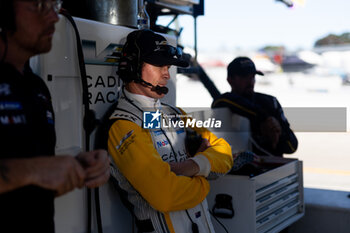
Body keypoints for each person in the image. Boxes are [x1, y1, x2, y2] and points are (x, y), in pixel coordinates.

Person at [108, 29, 233, 233]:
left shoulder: (173, 113)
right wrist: (204, 178)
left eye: (167, 66)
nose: (166, 74)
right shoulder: (124, 125)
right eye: (159, 65)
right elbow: (165, 196)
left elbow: (224, 151)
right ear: (132, 67)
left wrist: (191, 166)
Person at [0, 0, 110, 232]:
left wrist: (77, 167)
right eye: (39, 5)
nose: (54, 17)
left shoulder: (36, 86)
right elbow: (30, 170)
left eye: (54, 4)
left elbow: (33, 172)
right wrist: (30, 171)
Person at [212, 56, 298, 157]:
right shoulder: (224, 103)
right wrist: (264, 118)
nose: (250, 81)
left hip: (273, 169)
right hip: (242, 171)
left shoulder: (270, 102)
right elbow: (222, 101)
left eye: (252, 76)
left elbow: (292, 146)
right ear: (230, 80)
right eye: (244, 77)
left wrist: (278, 131)